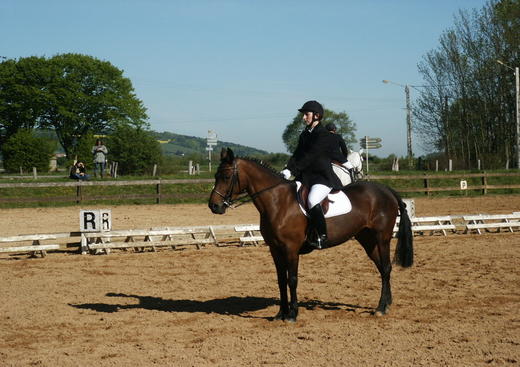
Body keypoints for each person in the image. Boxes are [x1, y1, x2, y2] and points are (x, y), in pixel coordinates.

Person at [281, 100, 352, 249]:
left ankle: (321, 235)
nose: (304, 118)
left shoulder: (324, 135)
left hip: (321, 177)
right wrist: (288, 168)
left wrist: (293, 170)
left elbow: (310, 156)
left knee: (313, 200)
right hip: (305, 177)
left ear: (316, 116)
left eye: (306, 114)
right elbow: (297, 155)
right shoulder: (304, 134)